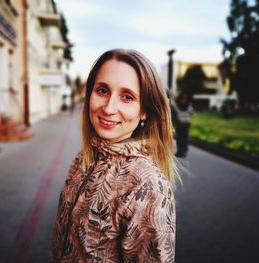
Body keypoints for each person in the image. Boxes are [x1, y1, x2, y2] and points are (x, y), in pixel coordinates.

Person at [51, 49, 177, 262]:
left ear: (144, 110)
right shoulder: (86, 157)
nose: (109, 108)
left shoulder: (147, 186)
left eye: (127, 97)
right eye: (102, 90)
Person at [175, 93, 193, 157]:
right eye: (182, 99)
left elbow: (191, 113)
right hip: (180, 123)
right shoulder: (178, 106)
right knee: (179, 138)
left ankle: (183, 151)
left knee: (184, 138)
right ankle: (180, 151)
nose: (183, 100)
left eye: (184, 99)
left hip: (185, 123)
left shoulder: (188, 106)